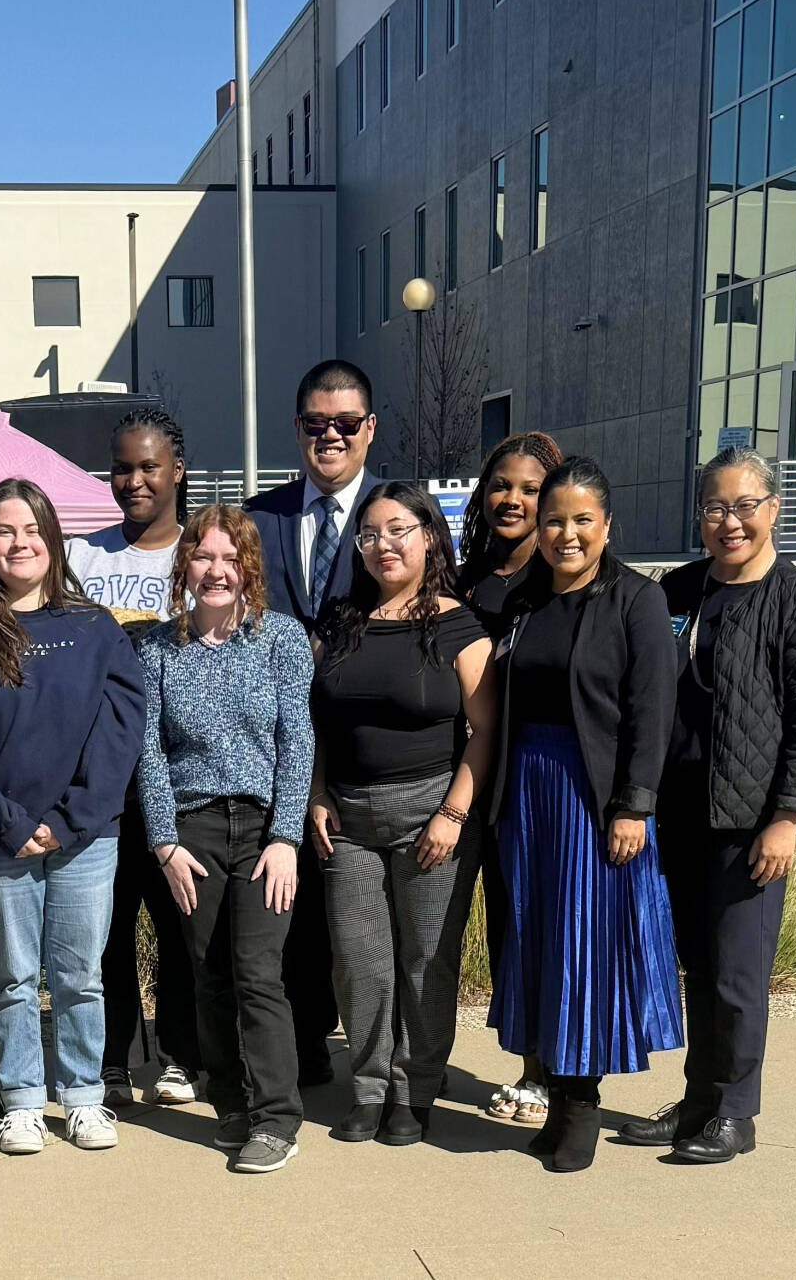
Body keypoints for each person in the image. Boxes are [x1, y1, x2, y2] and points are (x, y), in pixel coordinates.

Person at [616, 447, 796, 1164]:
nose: (730, 522)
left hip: (750, 822)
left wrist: (788, 816)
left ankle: (736, 1114)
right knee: (698, 966)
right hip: (679, 815)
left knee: (737, 973)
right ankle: (699, 1102)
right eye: (715, 508)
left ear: (773, 509)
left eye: (745, 506)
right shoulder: (678, 590)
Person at [0, 479, 147, 1157]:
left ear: (53, 539)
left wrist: (70, 819)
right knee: (12, 978)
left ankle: (82, 1097)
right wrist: (4, 822)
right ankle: (20, 1101)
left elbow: (120, 731)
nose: (19, 543)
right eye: (3, 530)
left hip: (85, 838)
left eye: (31, 530)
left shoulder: (95, 628)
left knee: (79, 977)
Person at [487, 457, 683, 1173]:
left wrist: (635, 804)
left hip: (594, 797)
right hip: (526, 792)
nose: (566, 534)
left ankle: (581, 1104)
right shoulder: (523, 601)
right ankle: (554, 1088)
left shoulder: (636, 600)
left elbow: (651, 711)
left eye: (581, 520)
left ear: (606, 525)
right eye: (553, 521)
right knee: (537, 940)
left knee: (584, 948)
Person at [309, 482, 496, 1146]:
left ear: (428, 536)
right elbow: (316, 720)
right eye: (369, 534)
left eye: (397, 530)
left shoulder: (459, 624)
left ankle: (414, 1091)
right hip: (348, 819)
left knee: (426, 961)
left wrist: (453, 814)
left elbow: (485, 730)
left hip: (432, 814)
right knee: (358, 961)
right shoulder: (338, 621)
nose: (382, 544)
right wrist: (317, 792)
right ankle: (368, 1088)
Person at [137, 506, 315, 1175]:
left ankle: (277, 1118)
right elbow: (149, 754)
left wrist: (286, 837)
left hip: (264, 831)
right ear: (184, 565)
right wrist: (164, 842)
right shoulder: (158, 649)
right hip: (194, 832)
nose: (216, 570)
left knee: (257, 972)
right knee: (207, 972)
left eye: (230, 558)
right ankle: (231, 1104)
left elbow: (297, 740)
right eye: (203, 556)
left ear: (249, 568)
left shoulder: (280, 639)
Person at [244, 359, 380, 1085]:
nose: (331, 436)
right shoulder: (256, 518)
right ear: (297, 428)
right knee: (284, 897)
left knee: (360, 911)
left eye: (346, 423)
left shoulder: (397, 514)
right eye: (316, 423)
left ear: (369, 429)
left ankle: (379, 1057)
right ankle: (298, 1046)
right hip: (271, 746)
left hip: (368, 747)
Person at [65, 408, 203, 1113]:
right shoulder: (80, 557)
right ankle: (112, 1058)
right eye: (122, 468)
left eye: (149, 466)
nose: (135, 481)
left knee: (180, 924)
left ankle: (180, 1054)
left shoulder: (203, 555)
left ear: (177, 469)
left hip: (180, 776)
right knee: (106, 929)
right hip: (101, 779)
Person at [454, 430, 563, 1128]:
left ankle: (549, 1074)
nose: (513, 499)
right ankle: (528, 1062)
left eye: (529, 488)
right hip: (473, 780)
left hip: (542, 778)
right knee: (506, 928)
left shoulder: (562, 580)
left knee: (544, 924)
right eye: (501, 485)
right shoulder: (464, 581)